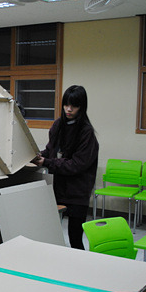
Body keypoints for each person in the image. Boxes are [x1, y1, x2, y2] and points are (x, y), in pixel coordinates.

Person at [32, 85, 99, 250]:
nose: (69, 109)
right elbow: (50, 150)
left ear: (81, 107)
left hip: (78, 193)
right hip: (57, 190)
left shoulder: (86, 133)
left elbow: (76, 165)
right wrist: (35, 155)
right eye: (66, 105)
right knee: (52, 236)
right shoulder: (58, 125)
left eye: (74, 106)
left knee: (75, 239)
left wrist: (47, 162)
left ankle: (77, 266)